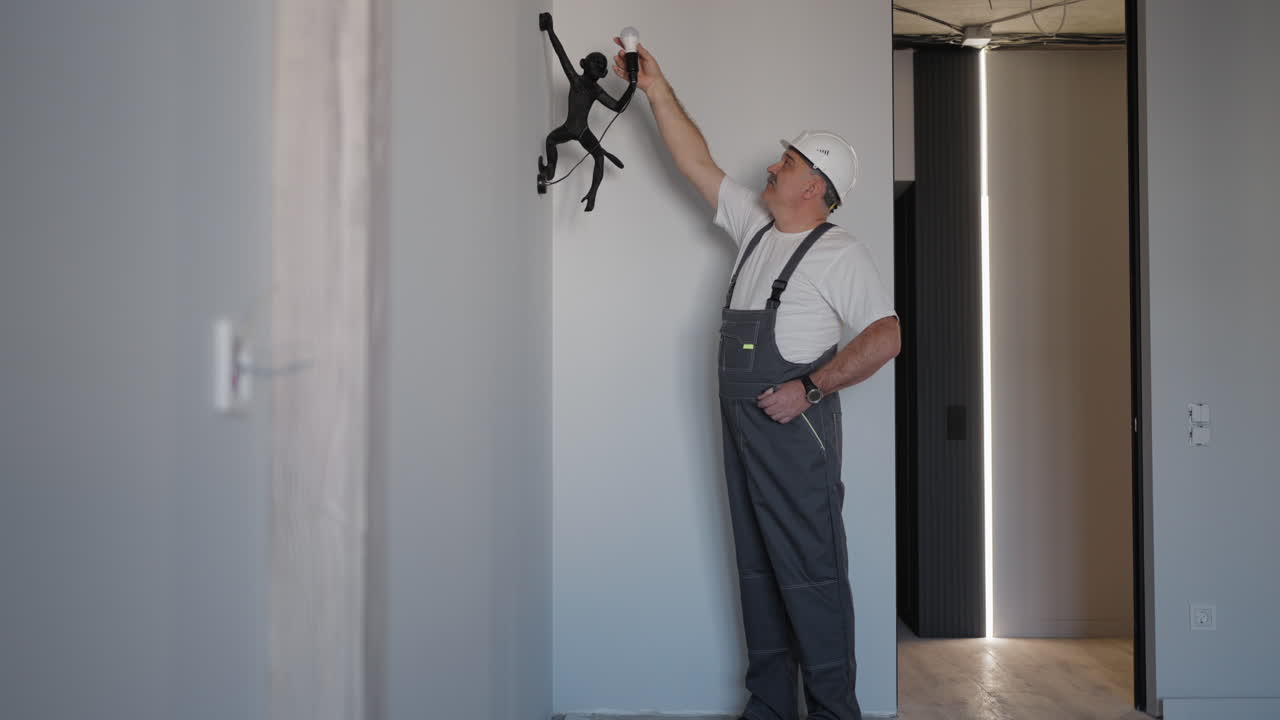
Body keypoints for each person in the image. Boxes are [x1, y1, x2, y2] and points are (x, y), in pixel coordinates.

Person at [613, 38, 901, 720]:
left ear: (813, 187)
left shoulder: (839, 253)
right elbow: (695, 161)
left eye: (788, 162)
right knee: (759, 570)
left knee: (811, 575)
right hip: (744, 427)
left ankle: (833, 712)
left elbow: (886, 335)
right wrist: (655, 88)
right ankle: (769, 707)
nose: (772, 166)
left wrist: (812, 387)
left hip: (794, 435)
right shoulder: (756, 230)